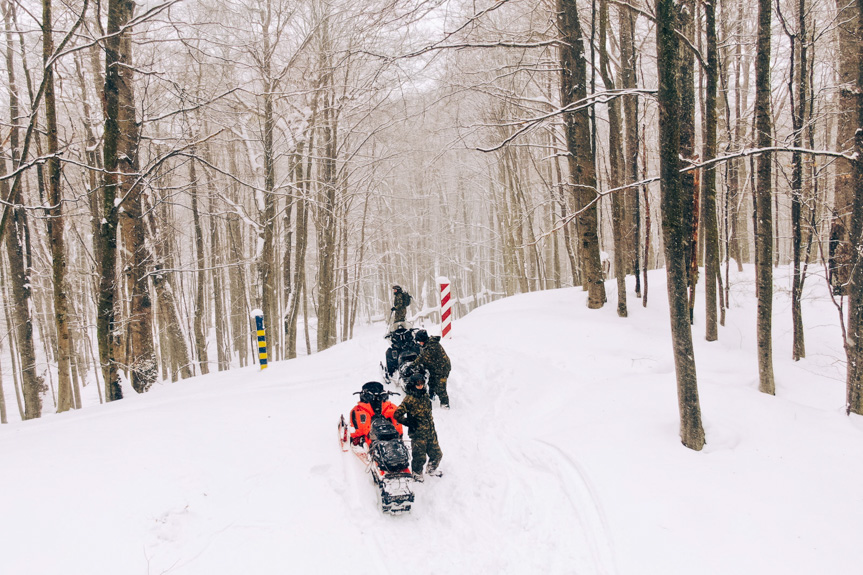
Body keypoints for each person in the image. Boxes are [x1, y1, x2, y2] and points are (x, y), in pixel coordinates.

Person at [394, 373, 442, 481]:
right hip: (418, 434)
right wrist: (409, 422)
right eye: (418, 384)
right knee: (419, 458)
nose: (420, 386)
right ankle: (417, 474)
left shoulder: (425, 396)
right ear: (412, 384)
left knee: (437, 454)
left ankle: (431, 469)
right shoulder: (409, 399)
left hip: (430, 432)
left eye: (422, 383)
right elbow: (397, 414)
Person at [349, 381, 403, 446]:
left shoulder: (390, 407)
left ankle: (361, 438)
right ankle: (361, 439)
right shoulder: (360, 410)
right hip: (373, 439)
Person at [414, 329, 452, 409]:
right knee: (431, 382)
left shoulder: (432, 346)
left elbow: (423, 358)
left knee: (441, 387)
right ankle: (432, 396)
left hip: (443, 369)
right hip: (435, 368)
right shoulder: (427, 344)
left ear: (423, 340)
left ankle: (445, 405)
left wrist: (413, 365)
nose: (419, 343)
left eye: (419, 341)